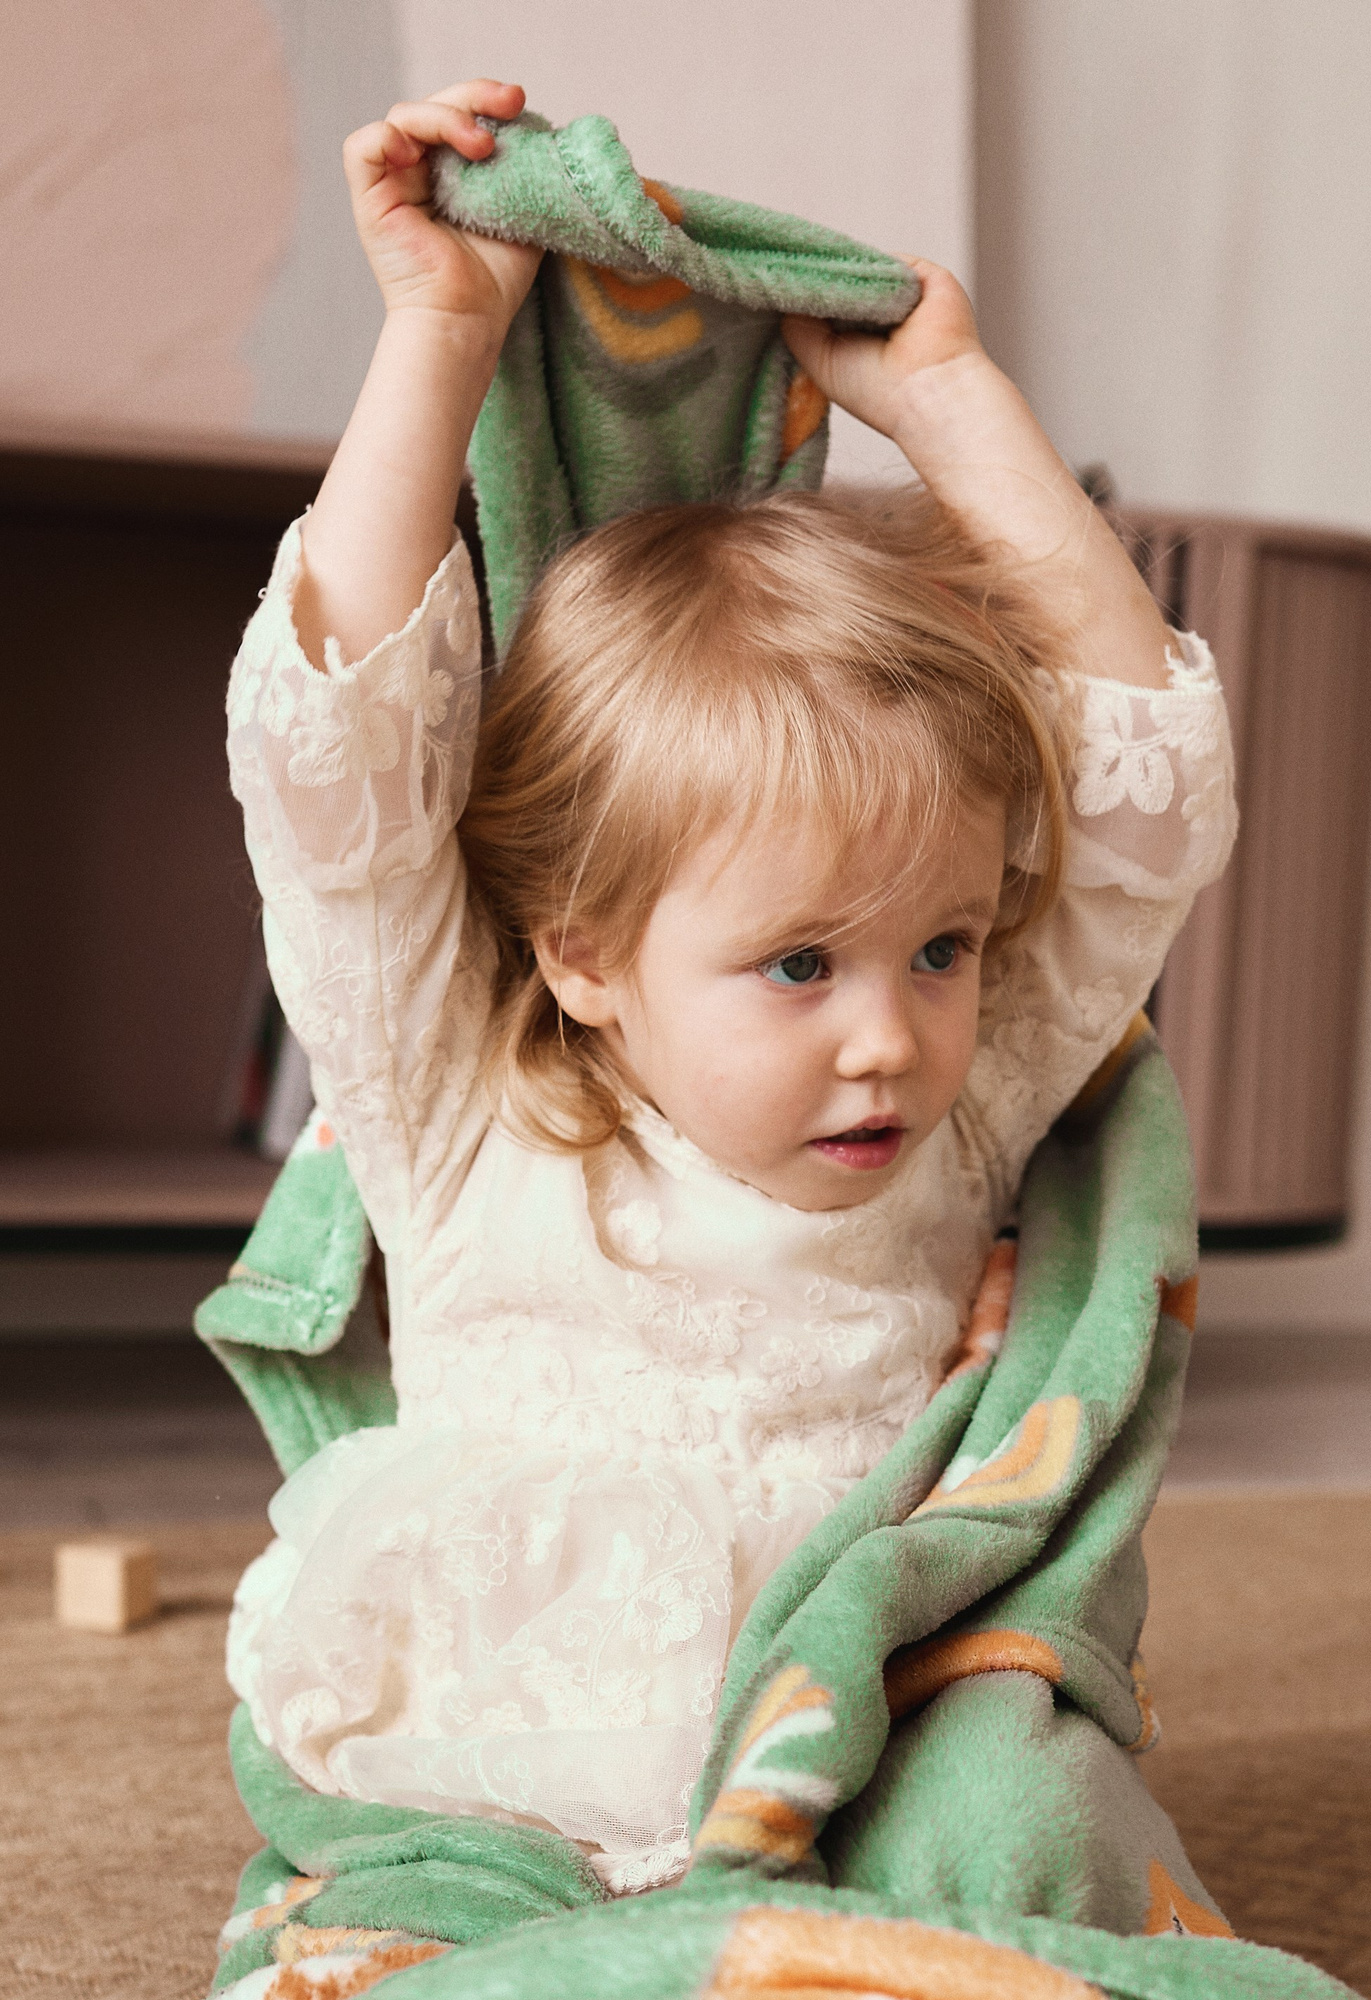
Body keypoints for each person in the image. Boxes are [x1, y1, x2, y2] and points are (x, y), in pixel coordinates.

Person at [224, 76, 1236, 1894]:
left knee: (1023, 1833)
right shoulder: (455, 1113)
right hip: (506, 1735)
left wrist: (951, 400)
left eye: (944, 948)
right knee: (438, 1933)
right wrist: (441, 335)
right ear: (585, 955)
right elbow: (335, 770)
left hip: (852, 1716)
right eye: (798, 965)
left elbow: (1145, 789)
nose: (891, 1036)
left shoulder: (967, 1114)